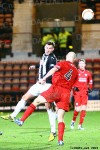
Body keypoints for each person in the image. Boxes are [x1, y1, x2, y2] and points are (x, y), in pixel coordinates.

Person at [14, 52, 78, 146]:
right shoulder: (76, 71)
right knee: (60, 118)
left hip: (56, 89)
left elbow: (53, 69)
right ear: (75, 59)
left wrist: (44, 78)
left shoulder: (62, 63)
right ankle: (60, 140)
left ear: (67, 56)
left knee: (36, 101)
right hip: (66, 93)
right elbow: (73, 87)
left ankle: (22, 120)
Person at [1, 41, 57, 141]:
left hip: (47, 85)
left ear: (53, 49)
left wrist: (44, 78)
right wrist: (35, 67)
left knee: (48, 106)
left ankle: (53, 131)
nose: (48, 49)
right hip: (38, 84)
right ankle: (13, 116)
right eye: (46, 48)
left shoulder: (52, 58)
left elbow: (51, 70)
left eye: (50, 48)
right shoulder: (44, 56)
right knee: (25, 97)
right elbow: (43, 66)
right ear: (44, 47)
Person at [70, 59, 93, 130]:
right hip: (77, 93)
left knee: (84, 108)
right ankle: (73, 121)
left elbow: (90, 82)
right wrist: (74, 87)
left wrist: (90, 88)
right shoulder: (76, 72)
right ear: (78, 65)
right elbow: (71, 81)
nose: (82, 65)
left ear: (85, 65)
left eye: (83, 63)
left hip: (84, 93)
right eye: (80, 64)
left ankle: (80, 125)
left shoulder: (88, 73)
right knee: (77, 109)